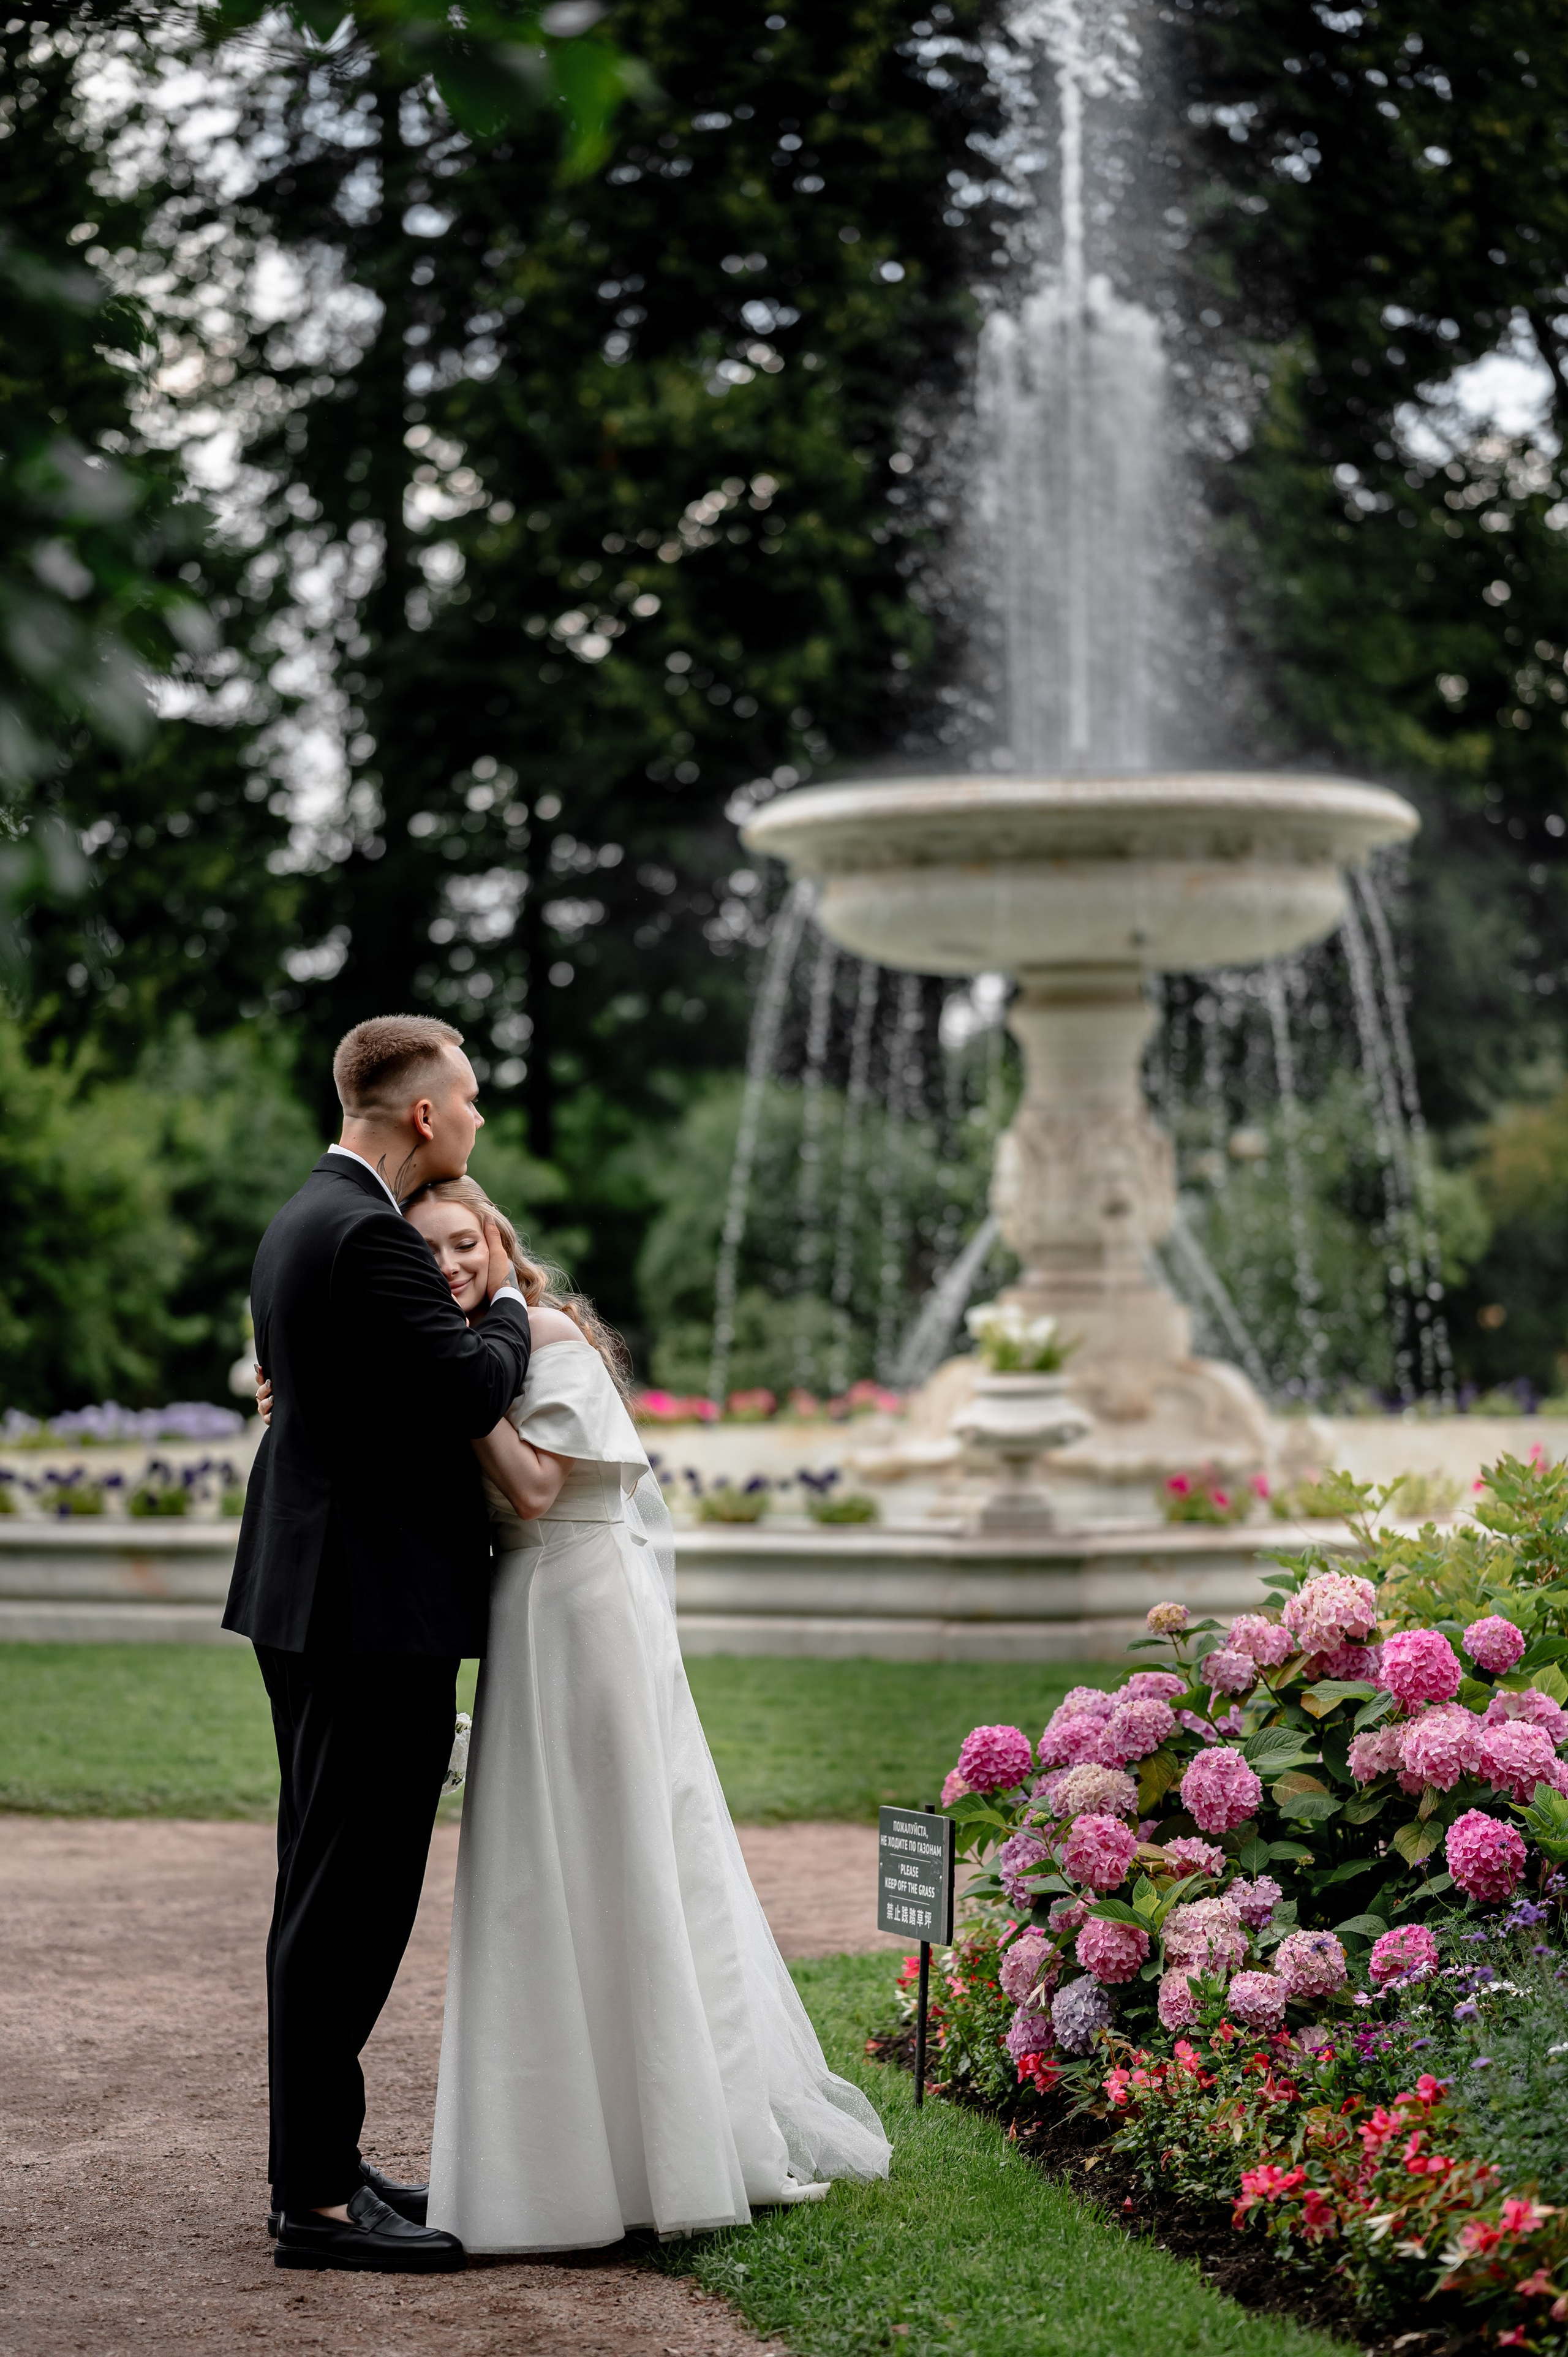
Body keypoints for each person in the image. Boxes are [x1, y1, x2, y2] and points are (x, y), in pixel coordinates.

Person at [399, 1177, 892, 2248]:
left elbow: (533, 1490)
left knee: (622, 1851)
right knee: (539, 1866)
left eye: (464, 1242)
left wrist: (458, 1383)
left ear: (498, 1239)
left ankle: (667, 2149)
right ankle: (558, 2160)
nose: (449, 1264)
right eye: (426, 1250)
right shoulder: (468, 1347)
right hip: (525, 1611)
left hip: (585, 1607)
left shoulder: (548, 1334)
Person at [227, 1016, 532, 2275]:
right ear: (421, 1114)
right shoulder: (362, 1233)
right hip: (367, 1614)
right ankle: (316, 2203)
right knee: (346, 1905)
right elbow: (470, 1386)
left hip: (317, 1597)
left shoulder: (306, 1215)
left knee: (321, 1890)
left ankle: (322, 2159)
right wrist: (513, 1298)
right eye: (465, 1101)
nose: (472, 1121)